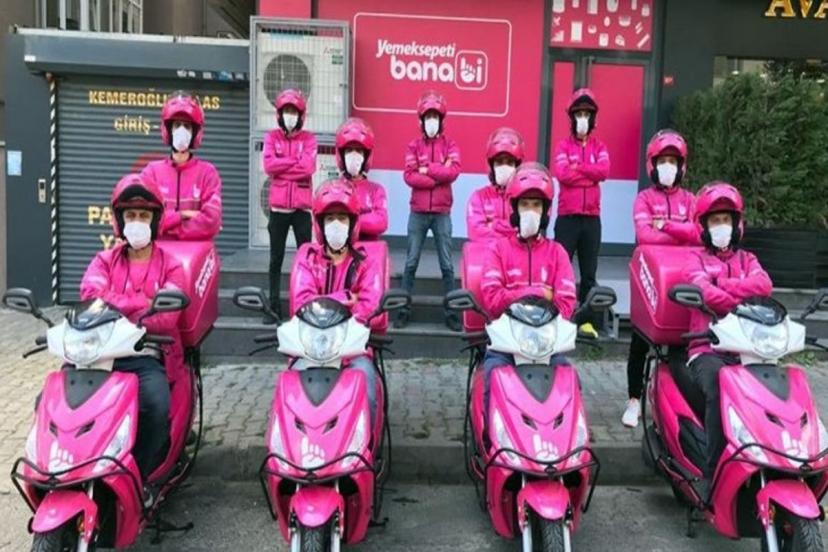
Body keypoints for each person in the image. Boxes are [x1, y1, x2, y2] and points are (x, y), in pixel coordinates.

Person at [80, 173, 186, 506]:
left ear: (155, 220)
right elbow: (90, 297)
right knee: (53, 402)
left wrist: (115, 303)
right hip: (100, 355)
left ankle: (139, 477)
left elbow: (167, 317)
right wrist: (143, 303)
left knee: (156, 406)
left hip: (146, 355)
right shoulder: (104, 261)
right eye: (130, 215)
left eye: (143, 215)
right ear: (120, 220)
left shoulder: (172, 265)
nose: (137, 222)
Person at [681, 182, 772, 488]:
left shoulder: (748, 260)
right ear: (704, 227)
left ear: (736, 225)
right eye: (715, 221)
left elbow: (764, 286)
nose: (722, 226)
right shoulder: (694, 260)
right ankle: (713, 473)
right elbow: (704, 293)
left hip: (748, 349)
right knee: (719, 388)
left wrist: (723, 284)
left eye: (726, 220)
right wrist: (739, 297)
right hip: (706, 348)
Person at [479, 162, 578, 416]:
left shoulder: (557, 253)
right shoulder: (498, 250)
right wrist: (538, 292)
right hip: (507, 347)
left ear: (545, 211)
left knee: (571, 382)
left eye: (536, 205)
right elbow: (492, 300)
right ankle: (491, 437)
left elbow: (566, 305)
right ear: (514, 209)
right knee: (492, 377)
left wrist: (513, 295)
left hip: (548, 348)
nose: (530, 211)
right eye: (524, 204)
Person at [622, 130, 699, 428]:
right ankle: (633, 400)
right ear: (652, 165)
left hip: (685, 279)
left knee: (681, 345)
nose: (668, 166)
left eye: (673, 161)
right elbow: (644, 235)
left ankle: (674, 400)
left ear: (682, 166)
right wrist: (683, 234)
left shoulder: (691, 200)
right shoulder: (644, 198)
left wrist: (665, 226)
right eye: (662, 160)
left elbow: (699, 234)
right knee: (640, 342)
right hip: (649, 278)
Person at [292, 179, 383, 422]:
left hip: (353, 352)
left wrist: (322, 303)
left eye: (342, 219)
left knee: (367, 395)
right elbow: (301, 304)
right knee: (291, 397)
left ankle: (366, 444)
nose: (336, 225)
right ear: (319, 224)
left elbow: (372, 308)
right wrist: (345, 298)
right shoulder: (308, 259)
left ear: (352, 223)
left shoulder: (366, 263)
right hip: (310, 351)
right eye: (330, 218)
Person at [395, 90, 462, 332]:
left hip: (442, 213)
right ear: (421, 120)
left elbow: (453, 172)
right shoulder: (413, 145)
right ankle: (403, 310)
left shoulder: (451, 145)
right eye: (428, 117)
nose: (431, 121)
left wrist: (427, 169)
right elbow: (409, 176)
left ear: (441, 120)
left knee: (447, 265)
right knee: (411, 262)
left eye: (435, 116)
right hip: (418, 213)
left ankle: (452, 313)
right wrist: (438, 174)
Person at [553, 88, 610, 339]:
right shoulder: (563, 146)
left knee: (589, 274)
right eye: (579, 114)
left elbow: (604, 171)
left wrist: (579, 168)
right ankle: (558, 317)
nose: (583, 119)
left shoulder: (600, 146)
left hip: (591, 219)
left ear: (593, 117)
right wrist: (590, 172)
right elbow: (562, 174)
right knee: (560, 270)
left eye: (587, 114)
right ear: (572, 118)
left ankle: (586, 323)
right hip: (568, 218)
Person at [263, 88, 318, 322]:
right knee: (275, 260)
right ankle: (274, 307)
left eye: (294, 112)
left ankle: (306, 305)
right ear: (279, 114)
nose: (290, 116)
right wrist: (294, 161)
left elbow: (308, 168)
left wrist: (282, 166)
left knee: (307, 261)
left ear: (301, 115)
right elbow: (269, 166)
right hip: (278, 210)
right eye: (286, 111)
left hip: (302, 211)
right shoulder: (271, 137)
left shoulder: (309, 139)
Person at [140, 91, 222, 241]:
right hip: (159, 253)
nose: (181, 131)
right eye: (177, 125)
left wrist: (168, 228)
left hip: (197, 253)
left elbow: (211, 222)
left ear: (195, 133)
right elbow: (145, 220)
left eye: (187, 126)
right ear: (168, 131)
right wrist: (183, 215)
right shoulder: (151, 173)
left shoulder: (208, 173)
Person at [466, 127, 525, 241]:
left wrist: (493, 224)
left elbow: (526, 232)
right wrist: (510, 234)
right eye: (499, 162)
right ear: (492, 166)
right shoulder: (479, 197)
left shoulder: (524, 198)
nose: (504, 166)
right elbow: (476, 233)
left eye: (509, 162)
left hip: (515, 253)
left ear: (517, 166)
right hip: (486, 252)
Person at [335, 117, 388, 240]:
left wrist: (348, 221)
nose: (354, 155)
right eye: (349, 150)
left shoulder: (376, 190)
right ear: (341, 155)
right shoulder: (334, 189)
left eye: (358, 150)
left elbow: (381, 222)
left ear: (366, 156)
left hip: (369, 249)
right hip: (341, 249)